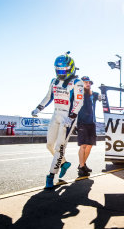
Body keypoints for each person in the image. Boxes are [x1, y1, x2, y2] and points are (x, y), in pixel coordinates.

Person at [31, 52, 84, 188]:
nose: (60, 72)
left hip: (68, 117)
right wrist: (38, 109)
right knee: (49, 145)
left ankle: (50, 176)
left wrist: (72, 117)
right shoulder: (53, 81)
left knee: (59, 147)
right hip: (55, 114)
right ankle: (64, 163)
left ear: (70, 68)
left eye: (63, 70)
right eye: (58, 70)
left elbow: (79, 102)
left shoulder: (77, 82)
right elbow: (48, 97)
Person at [76, 76, 99, 177]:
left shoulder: (94, 94)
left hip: (92, 123)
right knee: (83, 145)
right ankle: (82, 167)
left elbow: (102, 98)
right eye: (85, 82)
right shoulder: (78, 94)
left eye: (89, 82)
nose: (87, 84)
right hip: (82, 122)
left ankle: (82, 164)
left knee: (89, 146)